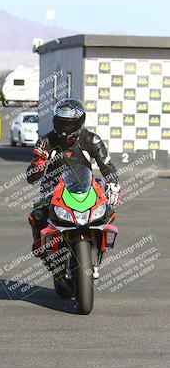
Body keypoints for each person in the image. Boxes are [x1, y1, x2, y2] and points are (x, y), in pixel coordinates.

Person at [26, 98, 121, 252]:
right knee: (38, 215)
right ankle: (44, 250)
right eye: (62, 123)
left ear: (79, 122)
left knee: (108, 210)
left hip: (85, 185)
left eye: (69, 124)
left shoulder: (91, 139)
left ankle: (100, 245)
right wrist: (39, 163)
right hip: (53, 187)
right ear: (55, 121)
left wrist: (113, 185)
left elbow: (107, 166)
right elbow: (31, 178)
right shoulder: (45, 142)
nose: (65, 128)